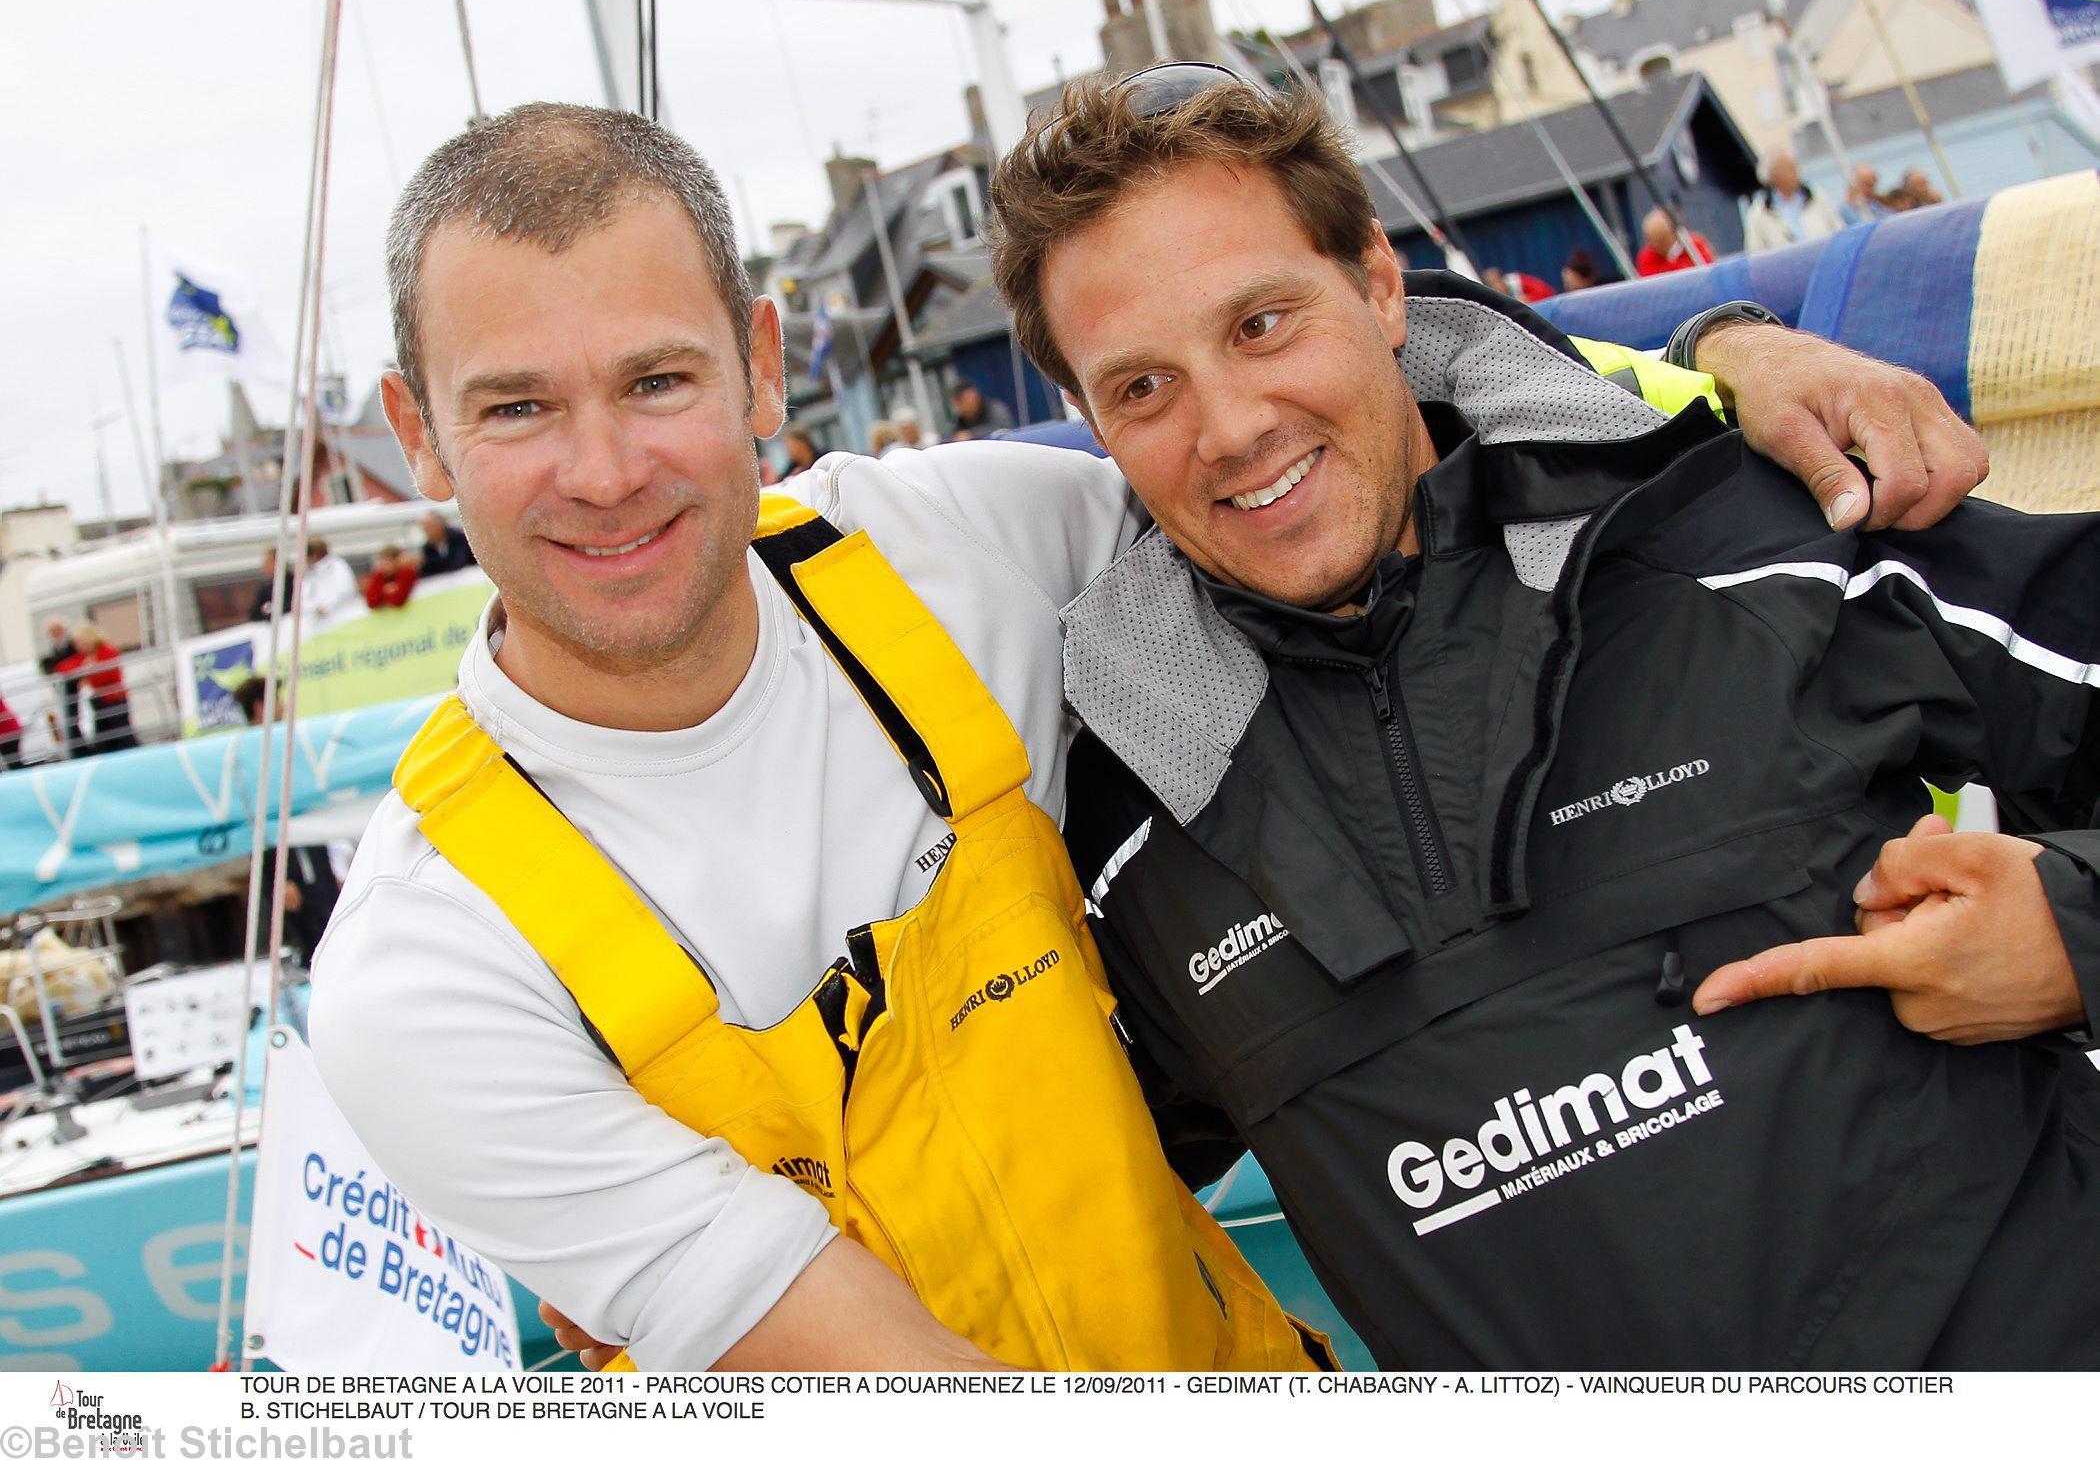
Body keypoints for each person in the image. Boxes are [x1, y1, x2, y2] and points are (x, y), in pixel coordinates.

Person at [316, 98, 1986, 1375]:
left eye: (659, 379)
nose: (605, 470)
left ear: (763, 368)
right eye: (517, 406)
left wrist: (1713, 364)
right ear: (414, 435)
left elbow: (1317, 420)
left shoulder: (973, 548)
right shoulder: (432, 970)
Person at [989, 70, 2100, 1368]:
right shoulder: (1125, 818)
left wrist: (2076, 931)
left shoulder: (1749, 538)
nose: (1230, 428)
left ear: (1382, 285)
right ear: (1091, 424)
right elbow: (1027, 1203)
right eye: (1141, 389)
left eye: (1262, 323)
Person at [234, 675, 344, 959]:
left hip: (311, 847)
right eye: (277, 701)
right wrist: (278, 879)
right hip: (288, 859)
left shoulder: (287, 745)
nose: (283, 707)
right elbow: (256, 823)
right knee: (311, 933)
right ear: (261, 707)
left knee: (332, 920)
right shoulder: (252, 755)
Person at [1741, 152, 1844, 252]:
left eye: (1795, 166)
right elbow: (1755, 252)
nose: (1796, 172)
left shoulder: (1816, 196)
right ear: (1774, 176)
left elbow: (1839, 229)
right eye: (1788, 168)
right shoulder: (1758, 212)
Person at [57, 622, 134, 755]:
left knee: (122, 737)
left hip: (114, 700)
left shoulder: (107, 651)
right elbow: (63, 667)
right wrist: (86, 670)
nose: (77, 647)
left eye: (78, 642)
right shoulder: (87, 656)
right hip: (100, 702)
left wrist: (88, 673)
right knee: (103, 740)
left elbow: (107, 675)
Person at [37, 616, 79, 760]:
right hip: (63, 694)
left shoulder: (74, 647)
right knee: (66, 723)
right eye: (52, 631)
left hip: (76, 691)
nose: (55, 634)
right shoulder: (53, 653)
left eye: (57, 630)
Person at [1634, 206, 1714, 276]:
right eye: (1652, 241)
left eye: (1662, 239)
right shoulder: (1646, 256)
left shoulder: (1695, 246)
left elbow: (1707, 274)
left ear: (1673, 233)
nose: (1656, 246)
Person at [301, 536, 361, 620]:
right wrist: (314, 608)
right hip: (318, 622)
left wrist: (325, 607)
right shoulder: (309, 573)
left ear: (314, 555)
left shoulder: (339, 566)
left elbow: (346, 590)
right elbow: (303, 598)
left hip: (342, 618)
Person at [949, 380, 1015, 441]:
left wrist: (971, 434)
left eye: (963, 399)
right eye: (958, 402)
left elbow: (1003, 428)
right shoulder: (959, 422)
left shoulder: (994, 408)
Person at [418, 509, 477, 576]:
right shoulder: (429, 547)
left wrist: (428, 562)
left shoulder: (458, 537)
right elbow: (427, 572)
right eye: (425, 528)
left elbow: (457, 563)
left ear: (440, 524)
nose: (428, 531)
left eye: (430, 527)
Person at [362, 544, 420, 609]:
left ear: (397, 561)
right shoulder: (379, 575)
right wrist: (385, 590)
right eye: (381, 562)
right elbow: (371, 602)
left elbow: (398, 601)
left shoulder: (407, 573)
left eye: (386, 563)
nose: (383, 566)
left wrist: (381, 594)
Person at [1839, 162, 1890, 226]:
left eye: (1873, 183)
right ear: (1854, 185)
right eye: (1866, 184)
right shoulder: (1843, 213)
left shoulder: (1875, 205)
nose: (1871, 189)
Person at [249, 549, 290, 624]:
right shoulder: (265, 587)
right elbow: (254, 614)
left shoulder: (293, 582)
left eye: (267, 563)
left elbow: (290, 606)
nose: (264, 567)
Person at [1480, 265, 1554, 303]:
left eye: (1495, 282)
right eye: (1490, 285)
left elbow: (1547, 296)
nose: (1495, 288)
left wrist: (1530, 300)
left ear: (1503, 279)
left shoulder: (1526, 284)